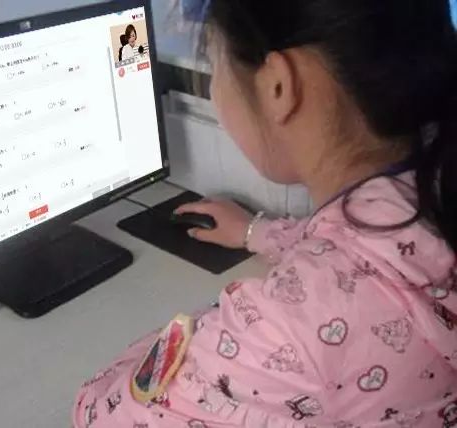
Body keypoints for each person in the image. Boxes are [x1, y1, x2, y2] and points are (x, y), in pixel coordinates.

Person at [73, 0, 457, 426]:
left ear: (279, 85)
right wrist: (256, 232)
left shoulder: (290, 332)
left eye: (214, 64)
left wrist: (200, 330)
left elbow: (99, 414)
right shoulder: (432, 187)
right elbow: (381, 252)